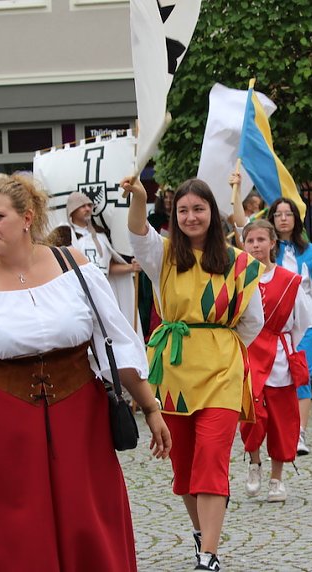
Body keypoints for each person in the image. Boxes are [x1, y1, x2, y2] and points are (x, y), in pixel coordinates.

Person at [0, 173, 170, 571]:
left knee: (88, 521)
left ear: (27, 218)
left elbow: (114, 341)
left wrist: (150, 406)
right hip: (1, 429)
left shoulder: (74, 267)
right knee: (12, 535)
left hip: (80, 417)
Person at [123, 175, 262, 572]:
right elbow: (136, 231)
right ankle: (203, 535)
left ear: (212, 213)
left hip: (221, 372)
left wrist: (221, 350)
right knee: (183, 466)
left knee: (211, 460)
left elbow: (253, 322)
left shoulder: (238, 264)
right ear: (174, 216)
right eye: (182, 210)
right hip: (173, 374)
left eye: (198, 208)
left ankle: (208, 556)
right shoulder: (162, 255)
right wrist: (139, 197)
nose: (190, 216)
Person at [240, 219, 312, 503]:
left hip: (279, 358)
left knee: (281, 420)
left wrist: (284, 347)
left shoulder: (289, 281)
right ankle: (254, 463)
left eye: (261, 240)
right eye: (251, 241)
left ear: (272, 243)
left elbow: (301, 321)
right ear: (243, 245)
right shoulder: (239, 279)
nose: (256, 246)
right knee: (252, 417)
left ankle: (276, 478)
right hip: (249, 354)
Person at [267, 197, 312, 455]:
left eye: (287, 213)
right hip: (275, 324)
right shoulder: (266, 253)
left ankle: (299, 433)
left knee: (302, 374)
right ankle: (280, 431)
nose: (283, 218)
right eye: (278, 214)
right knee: (277, 378)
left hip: (306, 321)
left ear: (296, 218)